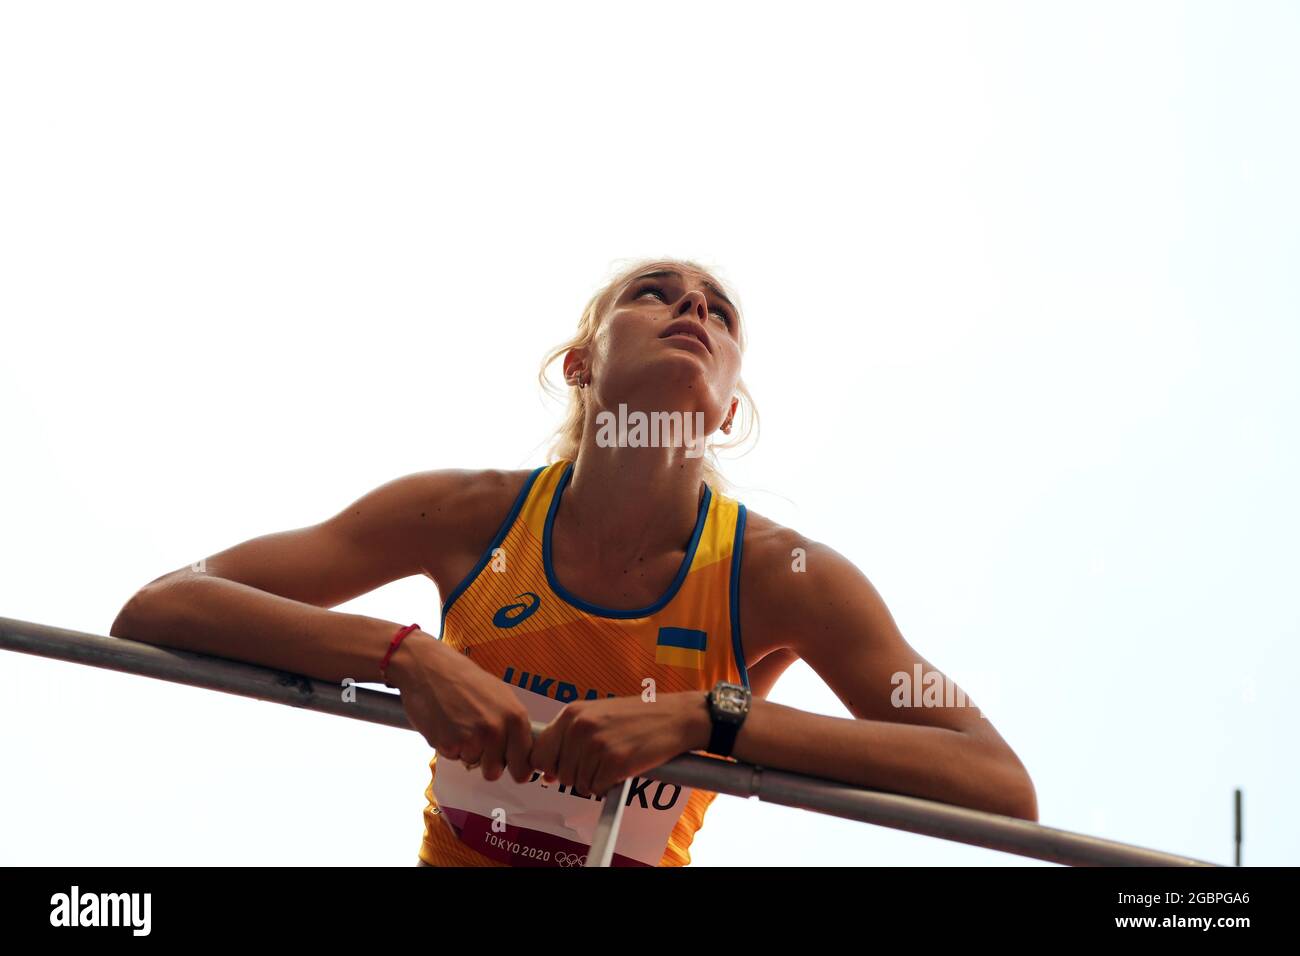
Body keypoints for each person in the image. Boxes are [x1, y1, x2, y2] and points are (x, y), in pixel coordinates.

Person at [111, 257, 1038, 868]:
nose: (694, 309)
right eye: (656, 293)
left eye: (720, 313)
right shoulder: (462, 513)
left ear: (726, 409)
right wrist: (403, 654)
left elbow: (999, 783)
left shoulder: (781, 575)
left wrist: (707, 719)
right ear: (580, 364)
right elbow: (162, 606)